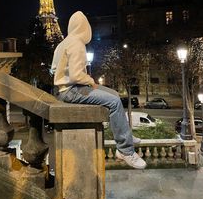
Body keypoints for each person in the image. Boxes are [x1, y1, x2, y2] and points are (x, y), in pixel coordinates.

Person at [51, 11, 146, 169]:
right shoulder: (77, 43)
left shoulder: (63, 43)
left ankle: (126, 135)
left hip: (66, 88)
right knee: (115, 102)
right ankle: (125, 150)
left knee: (113, 94)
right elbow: (75, 75)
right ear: (84, 27)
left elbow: (54, 68)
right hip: (72, 90)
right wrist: (89, 81)